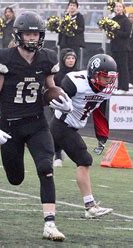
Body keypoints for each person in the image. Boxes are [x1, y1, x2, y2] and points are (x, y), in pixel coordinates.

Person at [0, 11, 67, 241]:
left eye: (36, 34)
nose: (32, 38)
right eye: (28, 34)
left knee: (45, 169)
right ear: (18, 35)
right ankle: (1, 143)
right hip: (10, 126)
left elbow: (50, 88)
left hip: (37, 123)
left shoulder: (47, 58)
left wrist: (61, 102)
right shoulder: (5, 58)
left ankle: (50, 224)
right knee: (15, 178)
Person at [50, 54, 116, 219]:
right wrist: (61, 103)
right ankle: (90, 206)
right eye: (104, 77)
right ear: (93, 74)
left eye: (110, 78)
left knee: (44, 160)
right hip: (61, 125)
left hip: (72, 127)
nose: (108, 82)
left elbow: (100, 110)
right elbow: (54, 98)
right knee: (84, 159)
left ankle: (89, 206)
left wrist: (102, 134)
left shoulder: (107, 88)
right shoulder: (75, 82)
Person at [52, 48, 79, 167]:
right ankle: (57, 155)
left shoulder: (79, 74)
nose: (71, 60)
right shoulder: (57, 74)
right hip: (58, 105)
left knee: (69, 130)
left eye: (73, 58)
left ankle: (66, 150)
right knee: (56, 130)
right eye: (68, 58)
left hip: (74, 107)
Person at [111, 2, 131, 95]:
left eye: (120, 6)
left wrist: (116, 31)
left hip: (123, 48)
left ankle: (124, 87)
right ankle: (119, 86)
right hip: (115, 47)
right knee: (117, 68)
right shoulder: (113, 19)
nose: (118, 8)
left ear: (123, 8)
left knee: (123, 67)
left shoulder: (126, 20)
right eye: (116, 6)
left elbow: (126, 34)